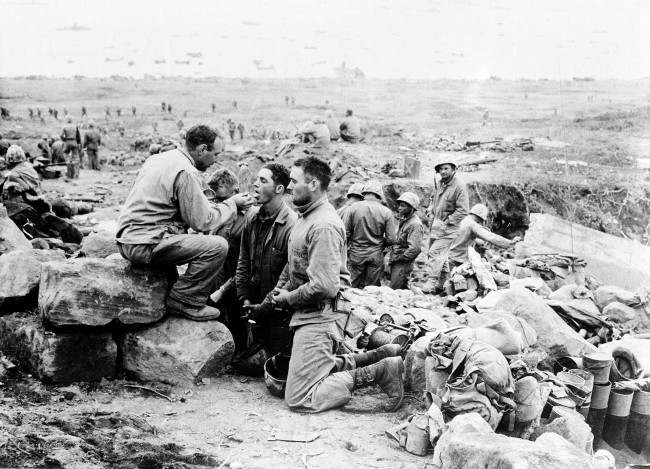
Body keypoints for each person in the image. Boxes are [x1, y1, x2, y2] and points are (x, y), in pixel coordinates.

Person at [270, 157, 404, 413]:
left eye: (294, 181)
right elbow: (294, 262)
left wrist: (286, 298)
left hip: (321, 314)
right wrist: (278, 291)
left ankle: (379, 371)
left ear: (312, 184)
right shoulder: (305, 218)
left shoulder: (323, 225)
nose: (288, 187)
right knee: (308, 370)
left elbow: (324, 286)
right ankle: (377, 356)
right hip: (308, 311)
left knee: (300, 397)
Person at [115, 124, 255, 321]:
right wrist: (232, 204)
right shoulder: (186, 171)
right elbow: (202, 221)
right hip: (145, 242)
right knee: (217, 247)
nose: (215, 162)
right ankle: (184, 301)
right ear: (202, 149)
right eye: (215, 154)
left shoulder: (160, 159)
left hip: (128, 238)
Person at [236, 164, 297, 358]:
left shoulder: (292, 225)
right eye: (257, 179)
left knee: (273, 360)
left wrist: (266, 306)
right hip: (253, 305)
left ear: (279, 189)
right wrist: (243, 297)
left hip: (278, 310)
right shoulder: (252, 217)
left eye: (263, 181)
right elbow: (243, 260)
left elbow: (292, 277)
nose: (255, 184)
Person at [343, 180, 397, 288]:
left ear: (364, 193)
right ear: (379, 194)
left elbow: (345, 233)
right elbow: (392, 239)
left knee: (350, 286)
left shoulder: (353, 208)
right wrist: (380, 245)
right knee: (371, 289)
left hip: (356, 253)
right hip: (375, 255)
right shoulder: (386, 212)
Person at [425, 160, 469, 293]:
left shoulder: (459, 186)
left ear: (453, 169)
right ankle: (443, 285)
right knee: (441, 257)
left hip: (450, 228)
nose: (443, 171)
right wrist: (430, 208)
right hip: (436, 226)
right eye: (441, 169)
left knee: (435, 252)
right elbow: (434, 200)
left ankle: (431, 284)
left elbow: (463, 210)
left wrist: (448, 221)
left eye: (446, 168)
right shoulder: (439, 183)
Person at [446, 203, 520, 271]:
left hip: (447, 259)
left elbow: (461, 237)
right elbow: (491, 237)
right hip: (457, 262)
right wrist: (510, 243)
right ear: (481, 217)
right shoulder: (472, 225)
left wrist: (477, 241)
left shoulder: (461, 220)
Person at [389, 192, 424, 289]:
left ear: (411, 208)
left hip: (403, 263)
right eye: (399, 205)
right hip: (397, 260)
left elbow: (415, 248)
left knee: (395, 289)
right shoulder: (405, 220)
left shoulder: (415, 224)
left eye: (403, 206)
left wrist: (400, 258)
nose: (399, 208)